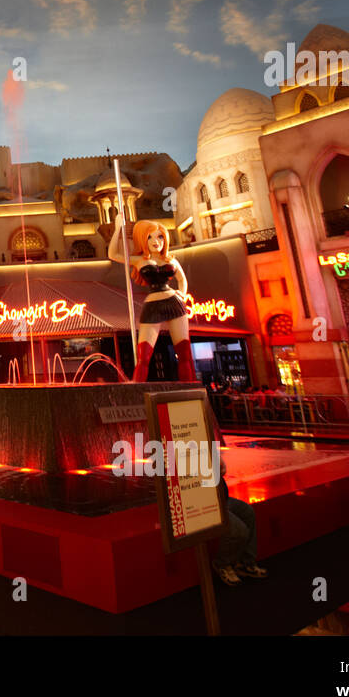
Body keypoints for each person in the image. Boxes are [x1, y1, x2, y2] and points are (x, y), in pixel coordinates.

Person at [108, 220, 196, 382]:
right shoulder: (139, 260)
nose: (156, 241)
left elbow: (183, 280)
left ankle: (190, 387)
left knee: (184, 354)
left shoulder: (171, 260)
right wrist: (118, 229)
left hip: (174, 303)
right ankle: (137, 388)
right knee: (144, 356)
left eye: (160, 237)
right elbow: (113, 255)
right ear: (142, 239)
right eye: (150, 237)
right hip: (153, 306)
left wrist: (181, 295)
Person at [207, 412, 269, 586]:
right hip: (211, 503)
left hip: (223, 498)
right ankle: (222, 564)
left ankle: (246, 563)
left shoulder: (204, 447)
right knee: (238, 530)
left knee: (248, 512)